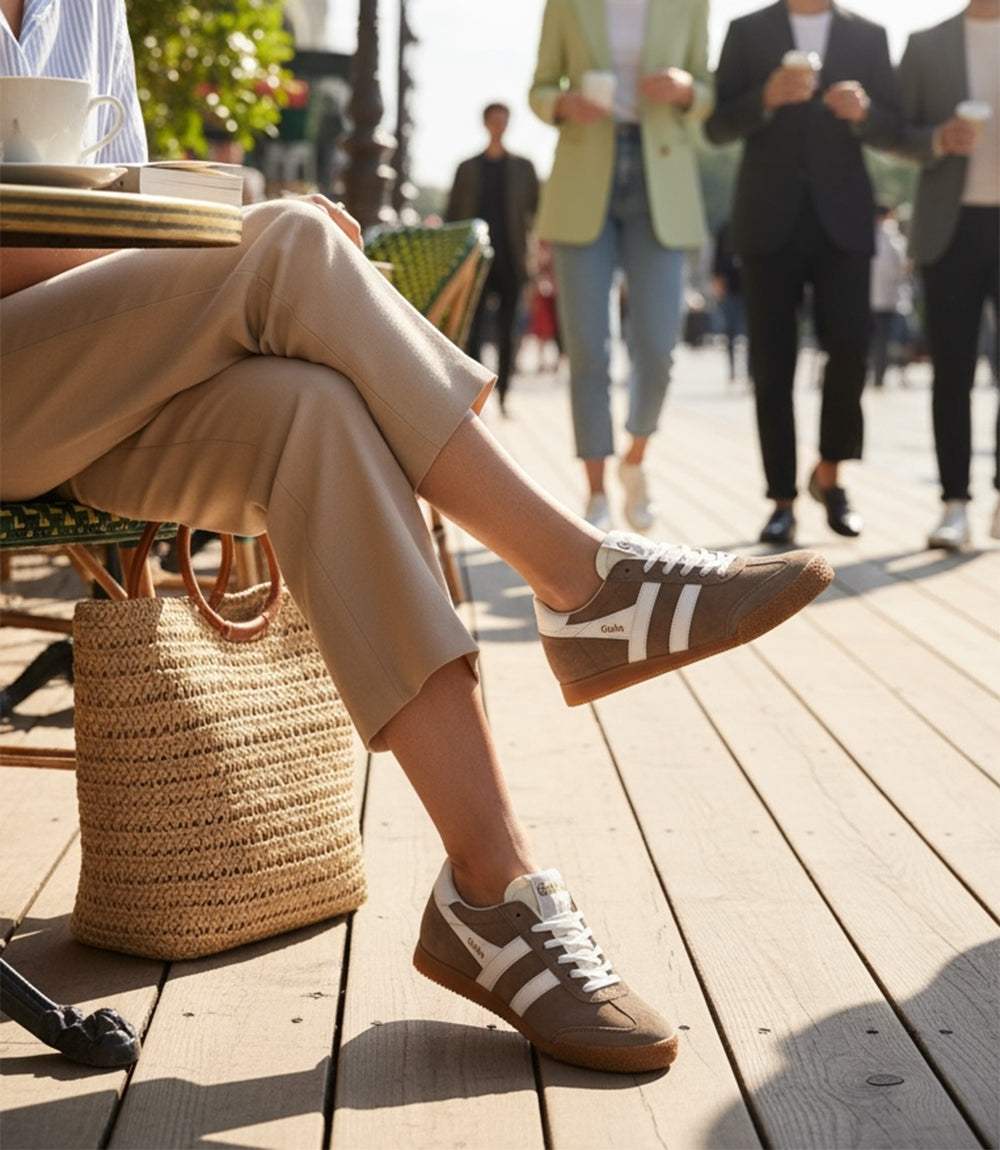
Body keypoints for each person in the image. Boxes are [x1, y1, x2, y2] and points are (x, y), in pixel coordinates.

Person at [1, 0, 833, 1074]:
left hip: (86, 375)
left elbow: (112, 199)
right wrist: (234, 237)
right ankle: (583, 584)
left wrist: (203, 231)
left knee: (316, 412)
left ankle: (494, 894)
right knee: (291, 241)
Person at [705, 0, 900, 546]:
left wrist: (864, 114)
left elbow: (896, 128)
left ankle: (830, 475)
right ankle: (782, 500)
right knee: (772, 364)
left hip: (844, 220)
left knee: (851, 349)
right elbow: (717, 126)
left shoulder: (870, 35)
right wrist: (764, 98)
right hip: (768, 220)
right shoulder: (747, 32)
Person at [529, 0, 712, 533]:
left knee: (658, 347)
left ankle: (634, 459)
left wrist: (685, 89)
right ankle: (594, 491)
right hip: (585, 179)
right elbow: (538, 88)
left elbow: (707, 92)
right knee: (588, 347)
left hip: (662, 182)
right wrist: (564, 102)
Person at [896, 0, 1000, 549]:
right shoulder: (924, 44)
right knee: (952, 371)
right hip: (948, 229)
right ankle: (954, 505)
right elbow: (894, 130)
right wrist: (938, 140)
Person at [446, 103, 539, 414]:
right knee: (471, 327)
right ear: (485, 123)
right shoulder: (467, 168)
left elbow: (536, 214)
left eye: (503, 120)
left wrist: (537, 258)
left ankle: (505, 394)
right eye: (494, 120)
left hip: (512, 258)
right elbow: (452, 218)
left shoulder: (524, 168)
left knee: (508, 329)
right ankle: (475, 392)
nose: (498, 125)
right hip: (475, 260)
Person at [869, 205, 910, 390]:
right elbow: (902, 269)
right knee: (881, 341)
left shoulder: (870, 235)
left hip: (873, 298)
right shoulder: (892, 239)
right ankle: (878, 375)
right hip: (885, 299)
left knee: (874, 340)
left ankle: (876, 375)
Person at [711, 220, 748, 385]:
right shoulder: (725, 229)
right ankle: (732, 370)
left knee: (751, 333)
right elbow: (716, 261)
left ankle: (750, 373)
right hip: (730, 290)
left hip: (750, 290)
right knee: (730, 332)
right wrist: (718, 284)